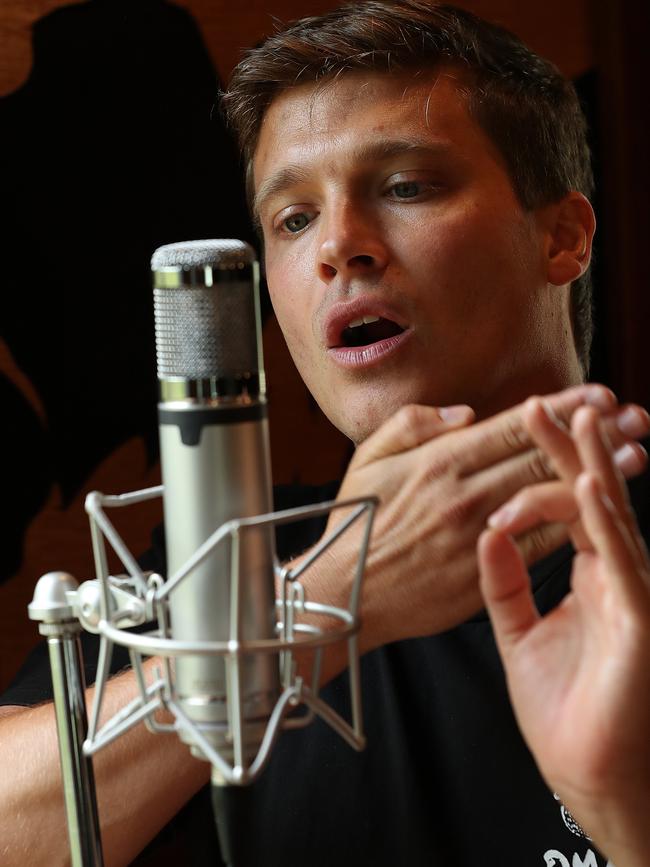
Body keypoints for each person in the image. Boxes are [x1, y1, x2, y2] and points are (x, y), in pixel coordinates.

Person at [1, 2, 649, 865]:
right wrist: (332, 593)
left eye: (406, 185)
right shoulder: (206, 568)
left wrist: (625, 808)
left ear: (562, 237)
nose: (338, 246)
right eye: (293, 219)